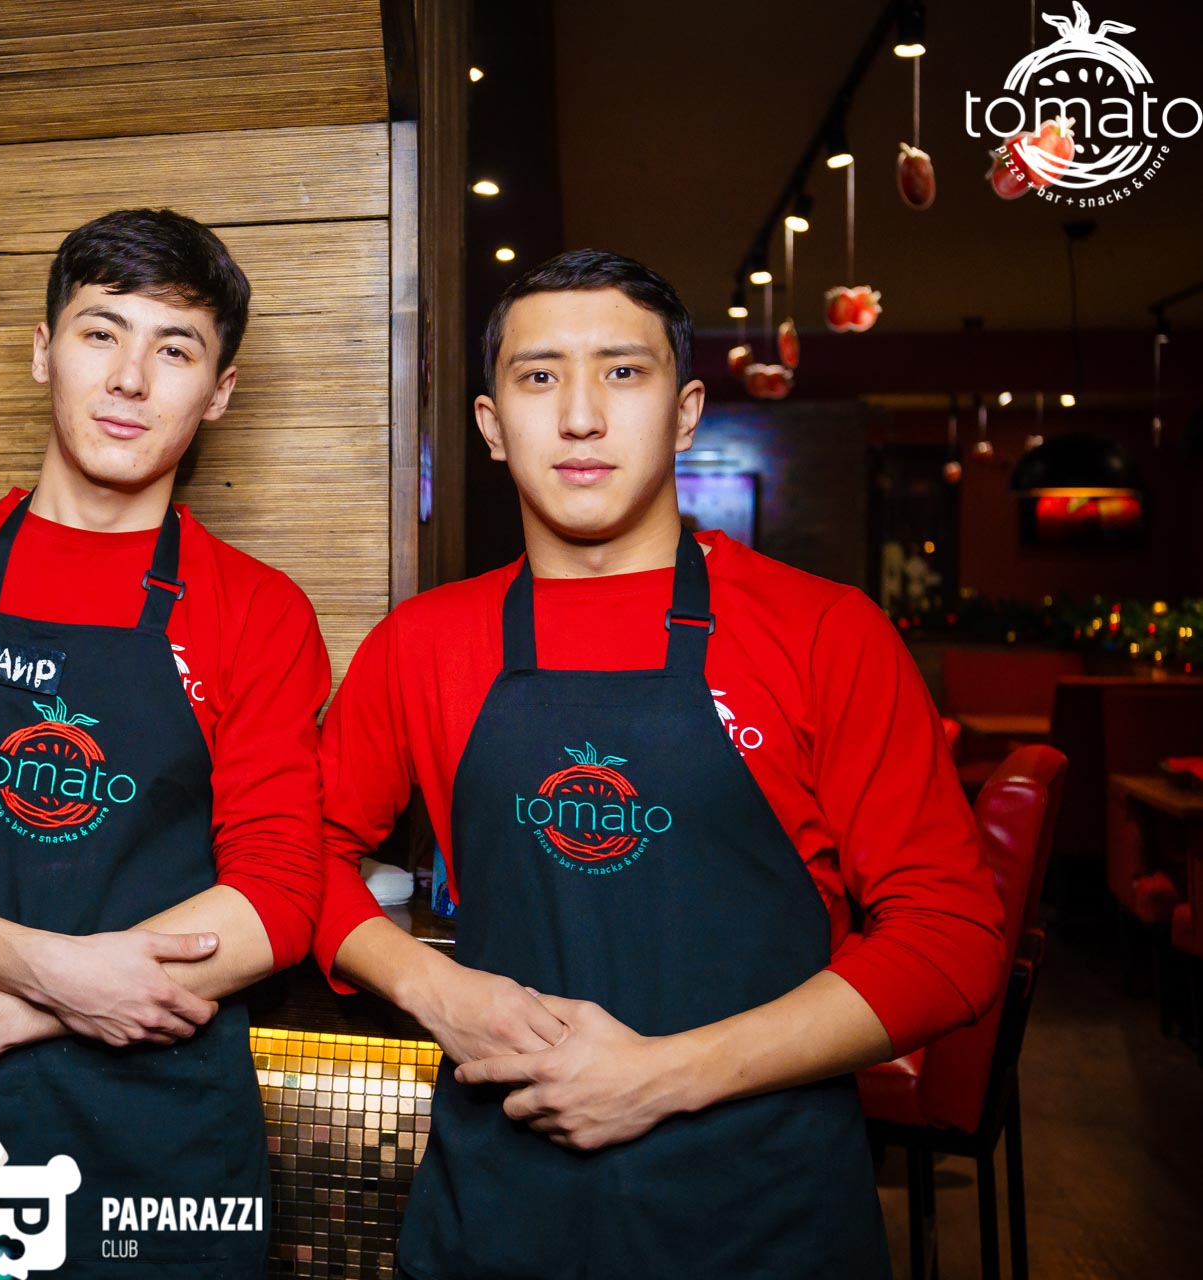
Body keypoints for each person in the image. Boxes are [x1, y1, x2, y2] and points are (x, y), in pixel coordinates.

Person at [313, 250, 1006, 1278]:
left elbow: (950, 936)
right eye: (539, 376)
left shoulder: (825, 632)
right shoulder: (422, 643)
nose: (580, 416)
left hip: (764, 1216)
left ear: (684, 415)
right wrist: (430, 986)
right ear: (491, 425)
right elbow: (295, 857)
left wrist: (665, 1074)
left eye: (622, 372)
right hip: (495, 1213)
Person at [0, 208, 328, 1274]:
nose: (129, 378)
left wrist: (14, 1007)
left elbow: (276, 895)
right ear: (44, 350)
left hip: (169, 1130)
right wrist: (49, 968)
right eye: (101, 332)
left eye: (174, 349)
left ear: (218, 390)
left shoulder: (256, 608)